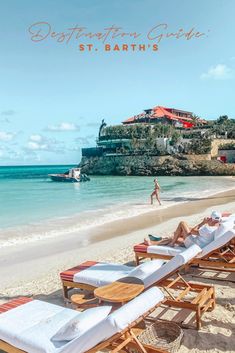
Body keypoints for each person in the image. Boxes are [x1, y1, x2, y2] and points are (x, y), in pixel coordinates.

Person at [145, 211, 221, 248]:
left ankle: (171, 244)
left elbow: (192, 231)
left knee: (182, 223)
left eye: (210, 218)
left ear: (211, 219)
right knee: (174, 237)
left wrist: (203, 222)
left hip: (194, 245)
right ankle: (153, 243)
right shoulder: (218, 227)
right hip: (200, 243)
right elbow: (195, 231)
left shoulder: (208, 229)